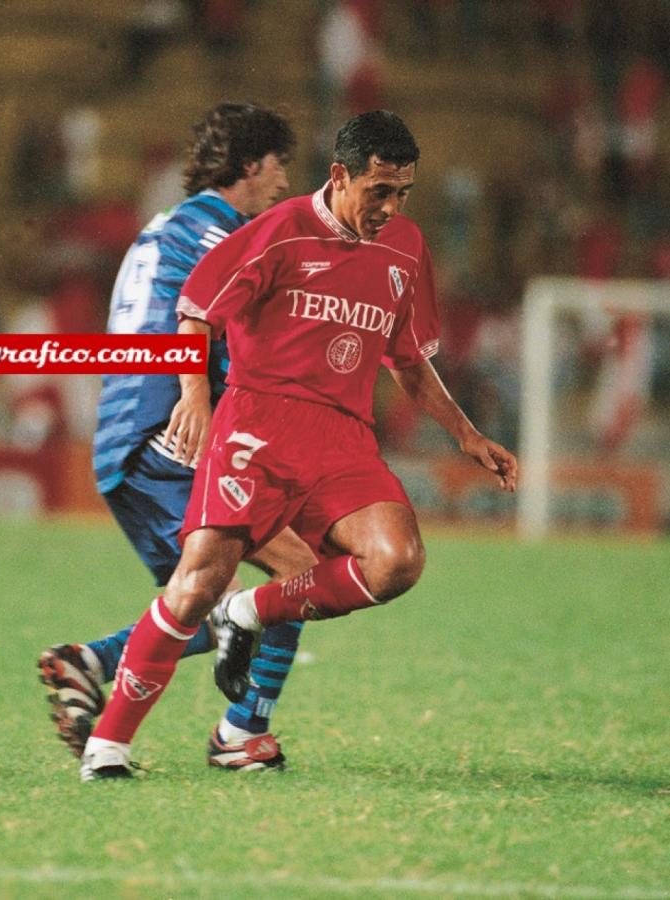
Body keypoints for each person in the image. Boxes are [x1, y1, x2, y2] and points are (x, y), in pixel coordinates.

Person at [79, 109, 518, 781]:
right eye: (378, 190)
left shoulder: (404, 248)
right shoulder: (277, 232)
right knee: (194, 584)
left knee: (396, 561)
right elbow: (195, 311)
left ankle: (247, 616)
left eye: (402, 192)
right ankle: (107, 745)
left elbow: (404, 359)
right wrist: (196, 400)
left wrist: (465, 433)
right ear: (340, 175)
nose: (390, 207)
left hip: (341, 441)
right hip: (256, 427)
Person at [39, 102, 319, 771]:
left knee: (203, 606)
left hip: (126, 438)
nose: (284, 182)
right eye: (279, 166)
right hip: (166, 436)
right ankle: (240, 734)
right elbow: (200, 323)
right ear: (250, 166)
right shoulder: (218, 233)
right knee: (294, 572)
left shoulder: (162, 228)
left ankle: (87, 663)